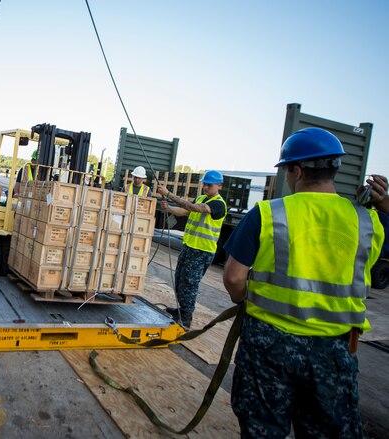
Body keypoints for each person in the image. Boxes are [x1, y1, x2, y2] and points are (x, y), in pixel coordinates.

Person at [222, 127, 384, 438]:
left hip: (268, 346)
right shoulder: (367, 221)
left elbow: (233, 277)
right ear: (334, 168)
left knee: (263, 429)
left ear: (296, 170)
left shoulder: (268, 213)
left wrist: (243, 299)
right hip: (334, 350)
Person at [155, 170, 227, 328]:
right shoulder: (201, 198)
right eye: (205, 184)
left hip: (202, 250)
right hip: (189, 246)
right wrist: (169, 208)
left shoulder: (218, 204)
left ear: (219, 186)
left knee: (190, 283)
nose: (206, 187)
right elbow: (184, 210)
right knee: (180, 279)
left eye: (209, 185)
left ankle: (186, 316)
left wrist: (168, 194)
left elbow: (195, 208)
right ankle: (181, 309)